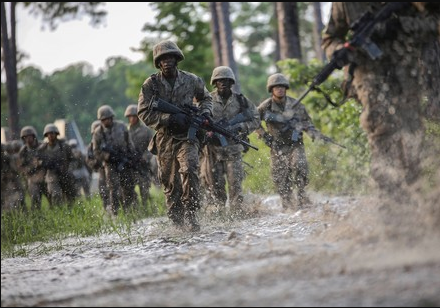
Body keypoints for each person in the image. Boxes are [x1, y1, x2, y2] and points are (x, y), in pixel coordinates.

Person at [321, 2, 440, 202]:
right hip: (368, 71)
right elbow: (330, 37)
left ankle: (416, 190)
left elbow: (434, 22)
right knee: (380, 125)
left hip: (407, 66)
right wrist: (339, 50)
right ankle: (389, 196)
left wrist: (401, 25)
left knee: (411, 128)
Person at [137, 40, 213, 231]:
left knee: (190, 170)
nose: (167, 61)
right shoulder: (151, 85)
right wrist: (168, 119)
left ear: (177, 59)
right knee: (170, 183)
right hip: (165, 139)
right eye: (163, 59)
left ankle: (192, 215)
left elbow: (206, 98)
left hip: (188, 137)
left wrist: (204, 113)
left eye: (170, 57)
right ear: (158, 62)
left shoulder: (191, 80)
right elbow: (143, 112)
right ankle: (177, 222)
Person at [256, 73, 326, 210]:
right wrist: (264, 135)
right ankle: (287, 203)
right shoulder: (265, 107)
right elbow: (254, 122)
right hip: (277, 145)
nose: (280, 89)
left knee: (300, 165)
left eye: (282, 86)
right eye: (276, 87)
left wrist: (314, 133)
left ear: (286, 88)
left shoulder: (297, 105)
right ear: (271, 89)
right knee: (280, 176)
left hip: (295, 144)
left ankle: (301, 196)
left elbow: (307, 123)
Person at [200, 66, 260, 218]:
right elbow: (197, 120)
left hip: (233, 150)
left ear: (231, 82)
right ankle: (219, 215)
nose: (223, 83)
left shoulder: (240, 100)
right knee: (215, 187)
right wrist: (206, 133)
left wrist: (241, 127)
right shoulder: (207, 100)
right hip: (213, 151)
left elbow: (256, 118)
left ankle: (237, 215)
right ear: (214, 82)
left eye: (226, 80)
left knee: (235, 185)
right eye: (219, 80)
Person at [92, 105, 138, 215]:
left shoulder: (122, 126)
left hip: (124, 160)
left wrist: (131, 157)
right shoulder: (98, 133)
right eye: (103, 119)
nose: (106, 121)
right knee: (113, 189)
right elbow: (96, 151)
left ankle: (129, 211)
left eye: (108, 118)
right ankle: (115, 212)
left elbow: (129, 143)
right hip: (110, 164)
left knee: (128, 187)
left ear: (112, 117)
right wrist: (107, 156)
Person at [124, 104, 156, 214]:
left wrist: (145, 157)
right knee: (130, 190)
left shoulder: (146, 130)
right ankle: (135, 210)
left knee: (144, 189)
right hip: (130, 166)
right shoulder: (125, 131)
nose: (132, 118)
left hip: (143, 165)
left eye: (134, 116)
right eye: (130, 116)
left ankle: (146, 208)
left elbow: (152, 146)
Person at [38, 124, 77, 206]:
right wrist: (44, 164)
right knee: (56, 194)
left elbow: (73, 160)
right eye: (48, 134)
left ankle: (71, 212)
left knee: (70, 197)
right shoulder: (42, 149)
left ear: (56, 134)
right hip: (51, 175)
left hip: (65, 173)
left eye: (52, 133)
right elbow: (37, 162)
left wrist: (69, 169)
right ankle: (59, 212)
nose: (51, 135)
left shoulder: (64, 147)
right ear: (46, 135)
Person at [18, 126, 48, 210]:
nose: (28, 139)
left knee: (52, 196)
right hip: (32, 178)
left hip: (45, 176)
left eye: (29, 136)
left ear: (34, 136)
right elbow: (21, 168)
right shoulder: (23, 151)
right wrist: (32, 166)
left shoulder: (43, 146)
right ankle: (36, 217)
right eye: (25, 137)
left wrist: (42, 162)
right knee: (35, 198)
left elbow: (50, 158)